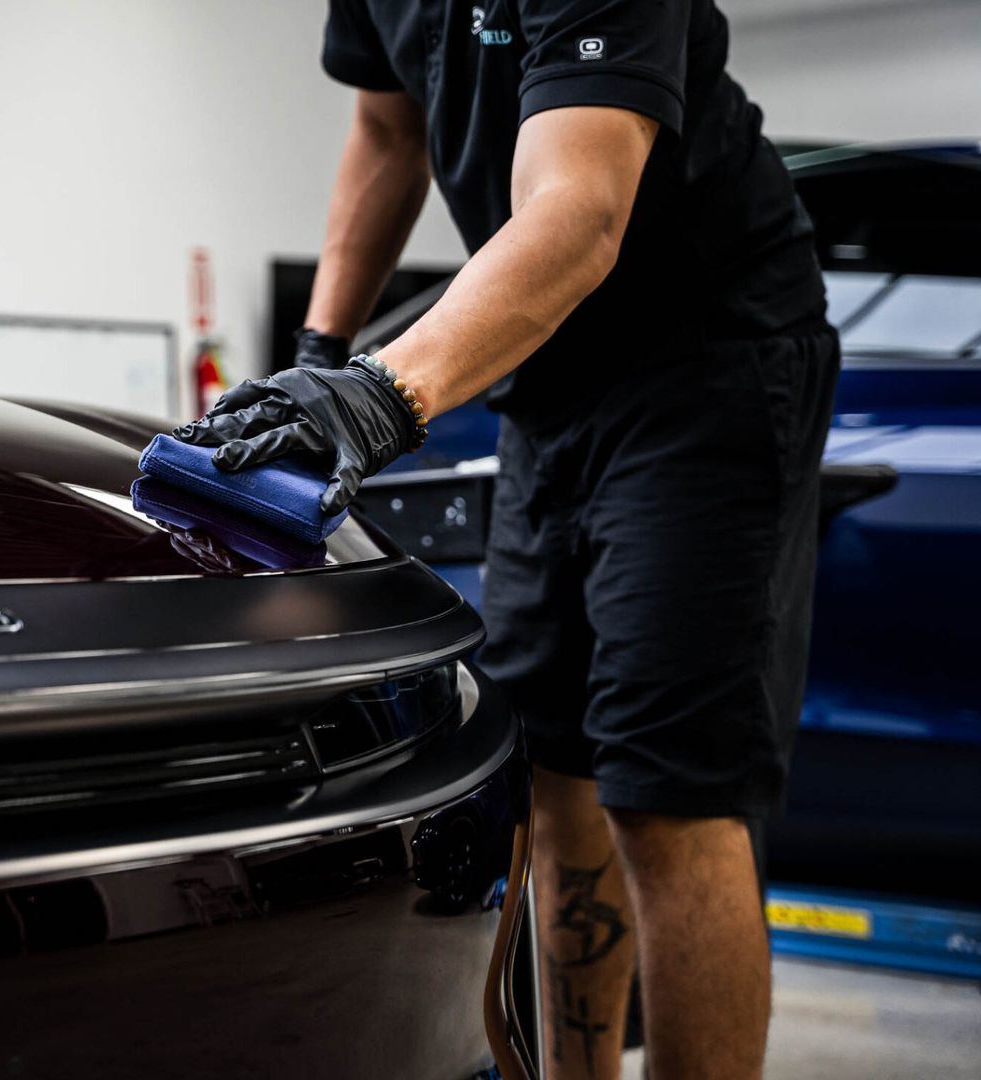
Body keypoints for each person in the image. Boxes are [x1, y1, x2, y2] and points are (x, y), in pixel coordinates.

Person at [174, 3, 838, 1077]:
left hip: (706, 355)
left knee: (669, 794)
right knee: (554, 774)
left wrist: (378, 397)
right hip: (553, 372)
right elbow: (390, 134)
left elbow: (578, 209)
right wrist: (315, 353)